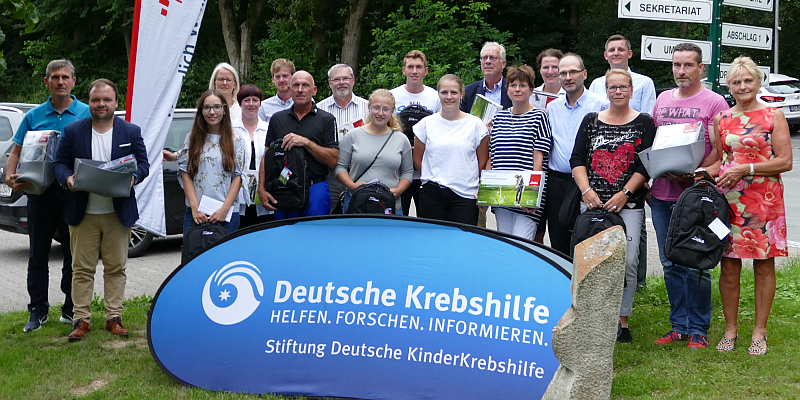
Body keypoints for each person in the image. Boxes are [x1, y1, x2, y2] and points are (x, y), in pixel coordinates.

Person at [52, 79, 150, 341]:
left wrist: (133, 178)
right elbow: (59, 164)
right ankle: (81, 319)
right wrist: (67, 179)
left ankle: (113, 318)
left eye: (107, 99)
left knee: (116, 267)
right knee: (81, 269)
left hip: (118, 212)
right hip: (83, 212)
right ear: (89, 102)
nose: (101, 104)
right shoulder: (74, 131)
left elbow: (144, 164)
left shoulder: (130, 131)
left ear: (116, 102)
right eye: (96, 100)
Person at [651, 43, 729, 350]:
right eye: (676, 65)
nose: (681, 71)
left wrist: (697, 173)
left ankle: (699, 328)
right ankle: (678, 325)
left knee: (697, 261)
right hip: (663, 194)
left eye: (687, 65)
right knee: (670, 261)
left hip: (698, 197)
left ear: (701, 69)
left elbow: (723, 154)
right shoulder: (662, 99)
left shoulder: (715, 102)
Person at [712, 56, 792, 355]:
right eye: (736, 81)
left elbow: (785, 161)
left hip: (765, 200)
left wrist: (747, 170)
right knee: (729, 267)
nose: (742, 86)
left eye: (748, 80)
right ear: (729, 85)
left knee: (763, 265)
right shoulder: (722, 118)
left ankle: (760, 330)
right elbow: (720, 161)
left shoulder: (774, 116)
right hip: (730, 201)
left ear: (758, 83)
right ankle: (730, 329)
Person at [4, 59, 90, 332]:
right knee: (37, 255)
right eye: (55, 77)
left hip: (73, 193)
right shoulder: (34, 116)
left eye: (65, 77)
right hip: (39, 194)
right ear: (46, 82)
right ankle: (37, 311)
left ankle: (69, 308)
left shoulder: (86, 113)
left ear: (74, 82)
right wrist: (9, 174)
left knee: (72, 255)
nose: (60, 82)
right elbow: (16, 151)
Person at [571, 69, 656, 343]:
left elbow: (646, 163)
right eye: (612, 87)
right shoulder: (591, 121)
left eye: (623, 87)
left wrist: (625, 193)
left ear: (631, 90)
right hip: (594, 204)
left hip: (627, 205)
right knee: (591, 261)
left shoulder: (644, 122)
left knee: (628, 260)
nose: (618, 92)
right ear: (605, 91)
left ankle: (622, 319)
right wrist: (586, 190)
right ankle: (593, 315)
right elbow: (577, 158)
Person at [588, 34, 658, 291]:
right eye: (611, 50)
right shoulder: (596, 84)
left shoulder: (643, 82)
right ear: (605, 55)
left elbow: (649, 121)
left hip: (633, 168)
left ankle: (635, 283)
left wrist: (641, 179)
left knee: (634, 234)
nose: (616, 53)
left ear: (630, 53)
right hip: (600, 169)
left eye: (621, 49)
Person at [543, 53, 609, 256]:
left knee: (588, 241)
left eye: (573, 72)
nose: (568, 77)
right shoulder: (551, 108)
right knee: (558, 241)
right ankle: (562, 286)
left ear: (584, 74)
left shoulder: (600, 106)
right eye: (563, 73)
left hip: (589, 184)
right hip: (558, 183)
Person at [258, 71, 338, 220]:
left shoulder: (326, 119)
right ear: (290, 90)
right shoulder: (277, 119)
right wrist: (261, 189)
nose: (300, 90)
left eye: (305, 85)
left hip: (315, 187)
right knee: (285, 238)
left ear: (314, 91)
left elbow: (333, 159)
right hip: (284, 187)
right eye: (296, 85)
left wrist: (306, 143)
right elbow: (267, 157)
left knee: (315, 237)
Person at [413, 74, 489, 225]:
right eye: (444, 92)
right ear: (438, 94)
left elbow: (482, 160)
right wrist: (434, 174)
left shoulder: (475, 124)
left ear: (462, 94)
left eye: (454, 92)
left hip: (465, 196)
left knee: (461, 243)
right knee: (434, 242)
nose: (449, 97)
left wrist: (467, 178)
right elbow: (417, 159)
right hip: (431, 194)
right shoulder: (425, 124)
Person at [488, 65, 552, 242]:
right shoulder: (499, 117)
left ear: (531, 90)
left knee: (522, 245)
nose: (518, 89)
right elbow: (492, 157)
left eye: (523, 85)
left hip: (526, 197)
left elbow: (538, 159)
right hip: (502, 194)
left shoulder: (540, 116)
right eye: (513, 85)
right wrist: (486, 190)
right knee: (505, 246)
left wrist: (532, 196)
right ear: (507, 88)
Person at [179, 90, 245, 237]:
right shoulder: (192, 139)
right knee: (195, 258)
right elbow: (185, 173)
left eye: (216, 107)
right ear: (201, 111)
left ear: (224, 110)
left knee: (225, 259)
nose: (212, 112)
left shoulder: (237, 141)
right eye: (207, 107)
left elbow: (238, 177)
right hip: (196, 214)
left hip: (226, 214)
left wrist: (224, 209)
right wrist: (195, 208)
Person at [335, 89, 413, 213]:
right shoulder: (353, 135)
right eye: (376, 108)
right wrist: (352, 186)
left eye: (386, 109)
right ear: (369, 108)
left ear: (392, 112)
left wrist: (399, 190)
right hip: (357, 203)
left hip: (390, 205)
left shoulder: (401, 139)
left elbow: (408, 172)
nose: (380, 113)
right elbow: (340, 167)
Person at [462, 41, 513, 228]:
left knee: (506, 217)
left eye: (493, 58)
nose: (488, 61)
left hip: (506, 157)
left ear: (503, 63)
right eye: (485, 58)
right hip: (476, 159)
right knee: (477, 216)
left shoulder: (514, 89)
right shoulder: (468, 92)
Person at [391, 50, 441, 215]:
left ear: (425, 71)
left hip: (427, 170)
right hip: (399, 169)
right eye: (410, 67)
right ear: (403, 70)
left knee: (427, 220)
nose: (414, 71)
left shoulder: (435, 97)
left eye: (419, 67)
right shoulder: (393, 96)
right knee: (399, 220)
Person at [318, 63, 370, 211]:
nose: (341, 82)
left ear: (353, 80)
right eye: (336, 79)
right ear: (330, 83)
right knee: (329, 218)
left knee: (358, 218)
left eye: (345, 78)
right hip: (329, 175)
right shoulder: (318, 109)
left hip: (360, 173)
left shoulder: (367, 108)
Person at [233, 84, 273, 229]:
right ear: (240, 103)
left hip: (263, 193)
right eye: (247, 100)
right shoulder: (230, 129)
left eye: (255, 100)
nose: (251, 104)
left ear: (260, 103)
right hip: (237, 194)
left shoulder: (269, 129)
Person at [259, 58, 296, 123]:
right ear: (273, 79)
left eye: (285, 76)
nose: (281, 80)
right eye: (278, 77)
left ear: (293, 77)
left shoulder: (304, 103)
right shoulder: (263, 107)